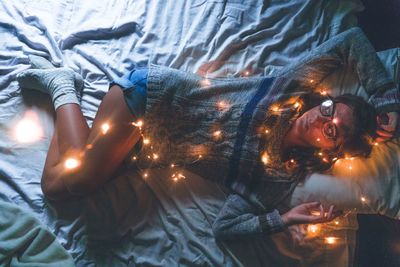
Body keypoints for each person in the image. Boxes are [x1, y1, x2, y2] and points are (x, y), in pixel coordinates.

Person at [17, 27, 399, 239]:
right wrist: (384, 98)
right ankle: (62, 86)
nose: (321, 119)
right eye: (329, 108)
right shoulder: (289, 88)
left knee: (55, 189)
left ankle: (65, 88)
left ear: (333, 153)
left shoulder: (276, 177)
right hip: (149, 98)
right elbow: (352, 39)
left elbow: (225, 230)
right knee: (79, 179)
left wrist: (286, 219)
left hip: (144, 149)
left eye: (332, 131)